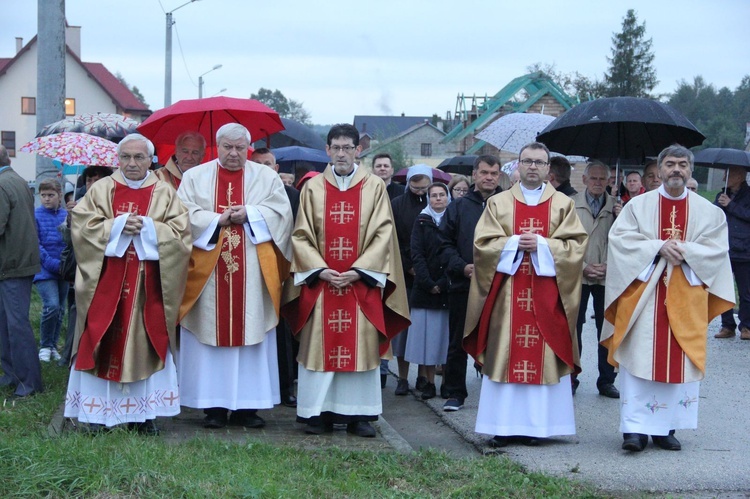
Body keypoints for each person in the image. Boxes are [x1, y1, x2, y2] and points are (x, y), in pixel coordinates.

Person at [602, 145, 734, 452]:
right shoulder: (638, 206)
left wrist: (685, 251)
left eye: (683, 164)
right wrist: (656, 247)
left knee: (679, 363)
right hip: (644, 299)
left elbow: (717, 251)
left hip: (686, 298)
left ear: (691, 170)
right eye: (671, 164)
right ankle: (634, 431)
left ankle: (665, 429)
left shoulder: (709, 212)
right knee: (638, 361)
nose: (677, 169)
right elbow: (619, 241)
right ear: (659, 170)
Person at [282, 123, 409, 437]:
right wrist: (320, 269)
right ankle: (317, 414)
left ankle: (358, 415)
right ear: (327, 151)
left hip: (360, 284)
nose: (341, 153)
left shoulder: (374, 187)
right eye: (335, 148)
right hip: (322, 284)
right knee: (318, 350)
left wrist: (360, 270)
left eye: (347, 148)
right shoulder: (312, 188)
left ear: (358, 150)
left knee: (361, 349)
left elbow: (383, 233)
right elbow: (300, 235)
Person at [64, 134, 192, 434]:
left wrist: (147, 227)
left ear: (151, 160)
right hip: (105, 285)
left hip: (149, 289)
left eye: (139, 157)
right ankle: (97, 416)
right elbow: (82, 228)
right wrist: (119, 225)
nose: (131, 163)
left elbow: (181, 235)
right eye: (125, 157)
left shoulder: (165, 192)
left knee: (148, 340)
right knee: (100, 336)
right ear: (117, 160)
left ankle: (144, 416)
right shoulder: (101, 189)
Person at [463, 142, 586, 447]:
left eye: (539, 162)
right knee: (505, 354)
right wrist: (515, 243)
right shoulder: (498, 203)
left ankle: (538, 428)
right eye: (527, 161)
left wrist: (543, 245)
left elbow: (576, 247)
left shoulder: (563, 204)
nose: (533, 167)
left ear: (548, 169)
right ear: (517, 166)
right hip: (507, 298)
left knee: (542, 355)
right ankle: (502, 426)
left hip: (547, 298)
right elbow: (482, 245)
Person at [177, 123, 293, 430]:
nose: (233, 153)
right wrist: (219, 219)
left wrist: (252, 214)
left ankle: (248, 407)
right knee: (208, 336)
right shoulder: (194, 177)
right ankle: (211, 407)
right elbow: (181, 215)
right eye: (227, 147)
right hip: (208, 275)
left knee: (252, 336)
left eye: (240, 148)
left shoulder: (265, 176)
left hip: (252, 275)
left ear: (249, 148)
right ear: (218, 147)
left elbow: (282, 214)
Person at [439, 155, 503, 411]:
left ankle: (497, 392)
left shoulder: (507, 206)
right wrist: (461, 267)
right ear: (474, 175)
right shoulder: (458, 207)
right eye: (484, 172)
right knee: (457, 340)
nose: (489, 177)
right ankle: (455, 392)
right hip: (464, 284)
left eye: (494, 173)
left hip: (499, 286)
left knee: (497, 340)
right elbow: (443, 245)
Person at [250, 147, 300, 407]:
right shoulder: (246, 194)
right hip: (252, 271)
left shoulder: (291, 195)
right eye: (257, 163)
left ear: (276, 168)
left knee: (283, 331)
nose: (263, 168)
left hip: (283, 269)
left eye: (267, 164)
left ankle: (285, 386)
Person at [571, 161, 620, 398]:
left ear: (609, 181)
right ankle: (571, 375)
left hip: (606, 276)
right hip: (578, 275)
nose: (598, 183)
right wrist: (582, 267)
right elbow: (564, 242)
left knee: (607, 327)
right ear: (584, 180)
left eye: (603, 179)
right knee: (574, 326)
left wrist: (609, 267)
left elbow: (624, 244)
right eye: (594, 178)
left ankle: (607, 380)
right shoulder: (571, 205)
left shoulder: (618, 208)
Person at [0, 145, 44, 398]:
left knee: (15, 324)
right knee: (7, 323)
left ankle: (29, 381)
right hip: (16, 262)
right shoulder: (14, 179)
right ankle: (12, 375)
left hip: (11, 264)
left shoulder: (3, 183)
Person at [404, 182, 450, 399]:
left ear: (448, 197)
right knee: (429, 341)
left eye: (442, 195)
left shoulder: (453, 219)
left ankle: (447, 384)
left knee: (446, 339)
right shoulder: (421, 221)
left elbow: (456, 252)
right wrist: (428, 282)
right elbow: (417, 253)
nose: (438, 199)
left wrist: (443, 281)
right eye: (434, 195)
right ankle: (429, 382)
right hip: (425, 289)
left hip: (449, 288)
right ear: (428, 199)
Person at [390, 165, 432, 395]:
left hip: (429, 273)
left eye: (424, 188)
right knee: (404, 330)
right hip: (405, 273)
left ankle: (425, 376)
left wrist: (426, 268)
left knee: (426, 328)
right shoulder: (397, 204)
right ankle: (403, 377)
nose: (419, 192)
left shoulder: (435, 201)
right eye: (415, 188)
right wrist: (408, 265)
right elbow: (393, 238)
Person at [34, 178, 69, 363]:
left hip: (63, 269)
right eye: (43, 195)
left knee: (61, 309)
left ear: (59, 195)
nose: (47, 199)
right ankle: (45, 345)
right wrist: (51, 263)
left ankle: (54, 345)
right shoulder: (36, 215)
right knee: (52, 305)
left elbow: (70, 242)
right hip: (44, 269)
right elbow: (36, 244)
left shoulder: (65, 215)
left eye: (51, 195)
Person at [714, 166, 750, 340]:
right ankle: (727, 325)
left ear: (740, 176)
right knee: (723, 290)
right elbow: (713, 216)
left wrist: (731, 205)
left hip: (745, 250)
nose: (724, 177)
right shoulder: (721, 195)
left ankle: (747, 327)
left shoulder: (748, 195)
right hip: (724, 249)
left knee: (746, 291)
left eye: (729, 174)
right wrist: (719, 205)